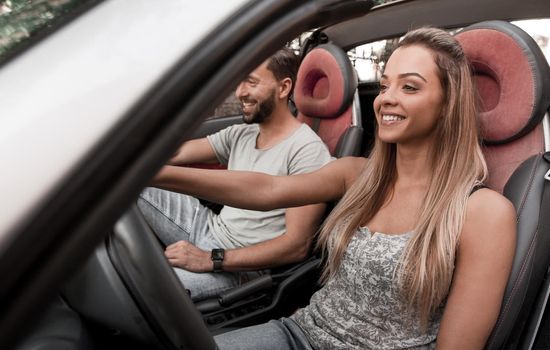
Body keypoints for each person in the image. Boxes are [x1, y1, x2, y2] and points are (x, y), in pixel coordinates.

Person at [151, 27, 517, 349]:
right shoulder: (358, 174)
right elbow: (267, 191)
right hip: (300, 332)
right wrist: (149, 174)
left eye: (409, 87)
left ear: (448, 104)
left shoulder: (482, 212)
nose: (386, 97)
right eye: (385, 84)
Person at [137, 47, 332, 302]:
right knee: (130, 182)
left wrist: (211, 259)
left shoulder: (307, 150)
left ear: (283, 88)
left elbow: (297, 246)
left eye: (251, 82)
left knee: (143, 290)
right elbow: (175, 154)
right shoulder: (242, 133)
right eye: (239, 82)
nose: (240, 92)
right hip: (207, 227)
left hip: (240, 265)